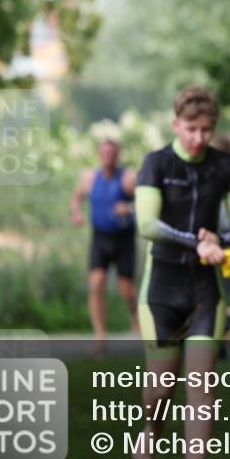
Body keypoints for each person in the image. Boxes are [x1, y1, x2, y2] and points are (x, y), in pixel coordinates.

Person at [132, 85, 230, 459]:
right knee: (161, 386)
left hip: (205, 290)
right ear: (175, 124)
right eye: (191, 129)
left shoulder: (224, 165)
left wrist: (220, 239)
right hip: (161, 290)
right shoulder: (156, 164)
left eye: (206, 130)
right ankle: (151, 427)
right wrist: (196, 243)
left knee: (202, 383)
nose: (199, 137)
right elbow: (147, 225)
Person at [70, 139, 140, 346]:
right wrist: (76, 214)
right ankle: (100, 335)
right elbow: (76, 198)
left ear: (118, 155)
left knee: (126, 290)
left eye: (112, 153)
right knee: (96, 284)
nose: (108, 157)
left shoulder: (128, 178)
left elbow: (147, 202)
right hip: (100, 238)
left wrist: (129, 208)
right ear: (99, 155)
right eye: (105, 153)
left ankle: (137, 320)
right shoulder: (90, 178)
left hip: (123, 239)